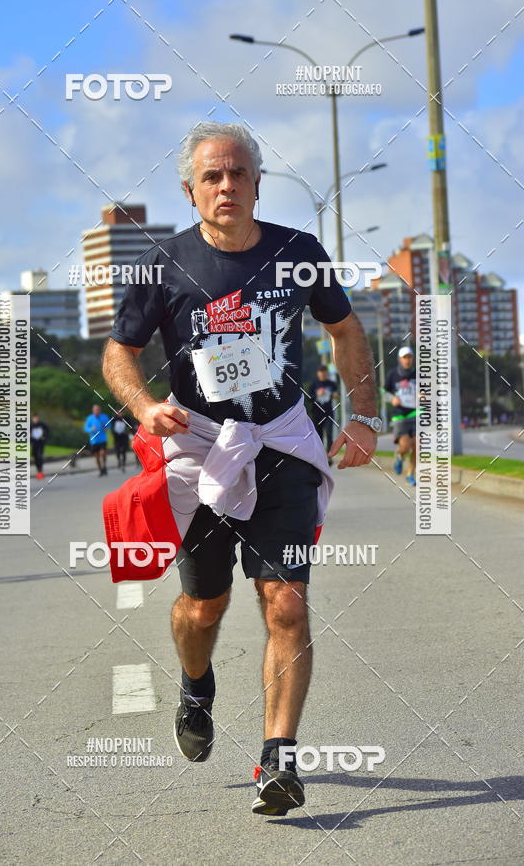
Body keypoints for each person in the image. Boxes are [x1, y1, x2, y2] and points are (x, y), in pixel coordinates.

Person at [102, 122, 380, 816]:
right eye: (212, 177)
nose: (226, 185)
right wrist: (142, 405)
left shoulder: (298, 253)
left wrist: (364, 411)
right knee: (205, 606)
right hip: (200, 449)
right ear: (190, 190)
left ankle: (279, 759)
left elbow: (345, 329)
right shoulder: (162, 265)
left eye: (238, 173)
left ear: (258, 182)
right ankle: (197, 684)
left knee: (285, 599)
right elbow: (118, 353)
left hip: (281, 442)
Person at [384, 346, 417, 486]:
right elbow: (384, 392)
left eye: (410, 357)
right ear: (400, 359)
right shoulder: (393, 375)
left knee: (417, 445)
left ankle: (410, 474)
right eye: (405, 357)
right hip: (400, 415)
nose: (407, 360)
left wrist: (423, 395)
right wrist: (392, 399)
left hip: (416, 412)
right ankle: (399, 455)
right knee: (405, 446)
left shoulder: (418, 374)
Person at [308, 365, 338, 456]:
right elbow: (309, 399)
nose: (323, 375)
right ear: (318, 374)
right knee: (319, 435)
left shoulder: (331, 384)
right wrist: (317, 395)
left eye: (325, 373)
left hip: (328, 413)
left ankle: (329, 454)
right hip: (317, 414)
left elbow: (336, 394)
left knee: (329, 433)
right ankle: (320, 455)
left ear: (327, 373)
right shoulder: (313, 385)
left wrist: (334, 395)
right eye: (321, 373)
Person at [84, 404, 111, 476]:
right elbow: (86, 428)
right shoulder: (90, 418)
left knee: (103, 453)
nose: (96, 411)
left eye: (97, 410)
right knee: (96, 456)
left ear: (100, 410)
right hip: (94, 440)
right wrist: (91, 429)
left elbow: (109, 424)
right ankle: (100, 470)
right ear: (93, 411)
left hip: (103, 439)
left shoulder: (104, 417)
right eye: (95, 410)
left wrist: (107, 428)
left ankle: (104, 466)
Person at [30, 413, 50, 479]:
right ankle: (38, 470)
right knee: (35, 456)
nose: (35, 419)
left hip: (40, 443)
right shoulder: (31, 425)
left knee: (39, 456)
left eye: (36, 418)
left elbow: (48, 430)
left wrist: (44, 437)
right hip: (34, 443)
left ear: (38, 418)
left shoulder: (42, 424)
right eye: (34, 418)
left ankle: (40, 470)